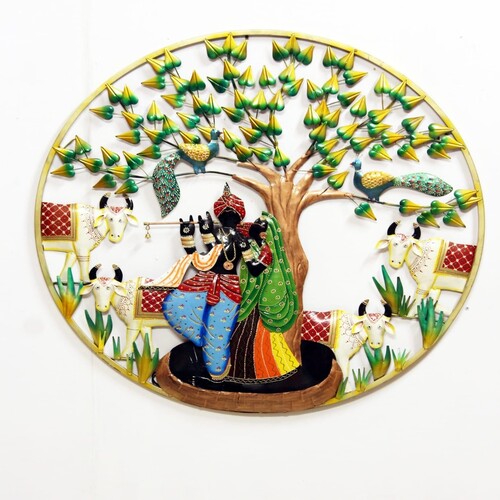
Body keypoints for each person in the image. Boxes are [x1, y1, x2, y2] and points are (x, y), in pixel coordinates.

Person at [162, 184, 270, 379]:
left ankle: (217, 371)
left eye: (233, 214)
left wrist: (266, 253)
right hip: (204, 280)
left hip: (228, 288)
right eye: (226, 214)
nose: (229, 217)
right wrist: (187, 237)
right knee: (174, 306)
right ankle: (205, 342)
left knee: (218, 330)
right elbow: (201, 260)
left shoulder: (241, 239)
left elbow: (254, 268)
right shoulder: (214, 234)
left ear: (240, 216)